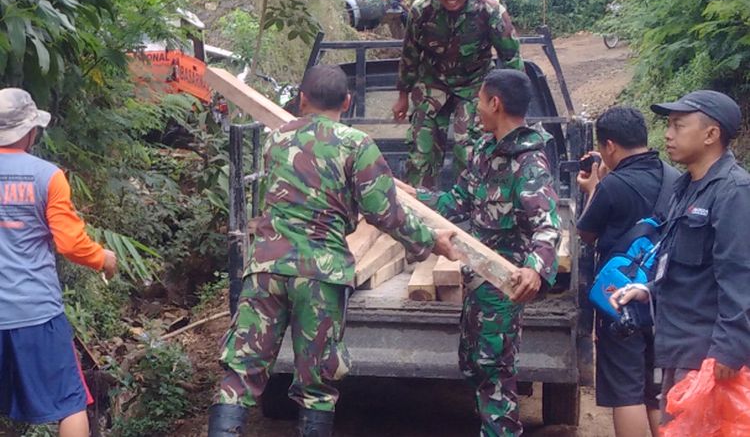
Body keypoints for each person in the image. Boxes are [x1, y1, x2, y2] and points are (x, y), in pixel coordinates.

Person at [207, 65, 461, 437]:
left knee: (241, 372)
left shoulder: (276, 139)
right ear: (348, 101)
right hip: (320, 276)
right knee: (317, 385)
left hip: (266, 270)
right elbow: (384, 213)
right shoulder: (357, 145)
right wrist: (430, 241)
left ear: (301, 99)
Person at [403, 69, 560, 436]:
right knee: (475, 365)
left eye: (479, 100)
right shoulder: (485, 153)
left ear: (495, 103)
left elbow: (547, 225)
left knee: (494, 373)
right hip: (478, 281)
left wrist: (534, 270)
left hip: (503, 285)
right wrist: (413, 196)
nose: (474, 108)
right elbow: (455, 203)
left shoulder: (529, 162)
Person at [610, 90, 750, 423]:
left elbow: (740, 274)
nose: (668, 135)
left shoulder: (734, 191)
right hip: (678, 347)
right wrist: (647, 291)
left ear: (711, 134)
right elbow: (679, 264)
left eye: (678, 125)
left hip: (709, 356)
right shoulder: (685, 187)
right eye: (668, 125)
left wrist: (729, 350)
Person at [0, 88, 118, 437]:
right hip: (36, 313)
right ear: (30, 131)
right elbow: (70, 243)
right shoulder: (47, 176)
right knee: (70, 404)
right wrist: (104, 259)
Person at [576, 107, 678, 437]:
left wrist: (593, 189)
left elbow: (587, 234)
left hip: (621, 299)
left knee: (626, 391)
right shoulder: (677, 178)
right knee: (656, 389)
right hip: (663, 293)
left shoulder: (613, 185)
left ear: (609, 146)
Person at [393, 0, 524, 189]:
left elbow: (511, 59)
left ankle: (473, 214)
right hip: (433, 82)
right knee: (421, 153)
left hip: (475, 84)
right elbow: (410, 55)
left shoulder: (490, 12)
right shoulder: (420, 11)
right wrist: (403, 96)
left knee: (470, 151)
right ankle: (421, 215)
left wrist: (514, 108)